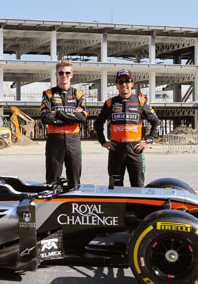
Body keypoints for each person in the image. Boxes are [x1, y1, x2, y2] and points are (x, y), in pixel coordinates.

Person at [94, 70, 160, 187]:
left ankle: (136, 206)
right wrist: (103, 142)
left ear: (132, 83)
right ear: (116, 84)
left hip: (135, 149)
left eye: (127, 81)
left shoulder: (141, 101)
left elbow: (156, 121)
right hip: (116, 150)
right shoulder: (110, 103)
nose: (124, 84)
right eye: (121, 81)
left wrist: (148, 141)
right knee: (115, 187)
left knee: (138, 186)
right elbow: (98, 123)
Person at [40, 60, 87, 188]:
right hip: (54, 141)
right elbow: (45, 117)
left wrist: (58, 114)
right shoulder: (48, 94)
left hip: (73, 141)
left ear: (72, 74)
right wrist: (72, 115)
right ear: (56, 74)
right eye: (61, 73)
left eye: (67, 73)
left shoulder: (79, 94)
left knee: (75, 180)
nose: (64, 75)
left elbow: (82, 118)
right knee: (52, 181)